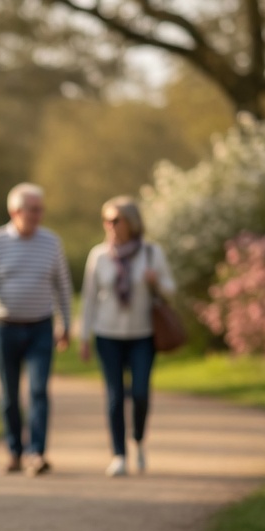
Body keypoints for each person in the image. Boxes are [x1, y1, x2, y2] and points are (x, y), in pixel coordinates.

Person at [0, 182, 73, 477]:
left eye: (41, 209)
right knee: (9, 395)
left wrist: (65, 324)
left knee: (39, 390)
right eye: (33, 209)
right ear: (15, 211)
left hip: (41, 326)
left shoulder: (52, 242)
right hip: (5, 328)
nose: (39, 215)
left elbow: (63, 287)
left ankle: (36, 453)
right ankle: (14, 451)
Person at [78, 195, 176, 476]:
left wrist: (156, 282)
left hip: (142, 335)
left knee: (141, 392)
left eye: (115, 220)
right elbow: (89, 300)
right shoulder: (98, 255)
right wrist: (84, 337)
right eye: (106, 220)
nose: (109, 225)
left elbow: (171, 290)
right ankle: (119, 455)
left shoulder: (151, 253)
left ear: (131, 223)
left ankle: (139, 440)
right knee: (114, 395)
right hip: (107, 334)